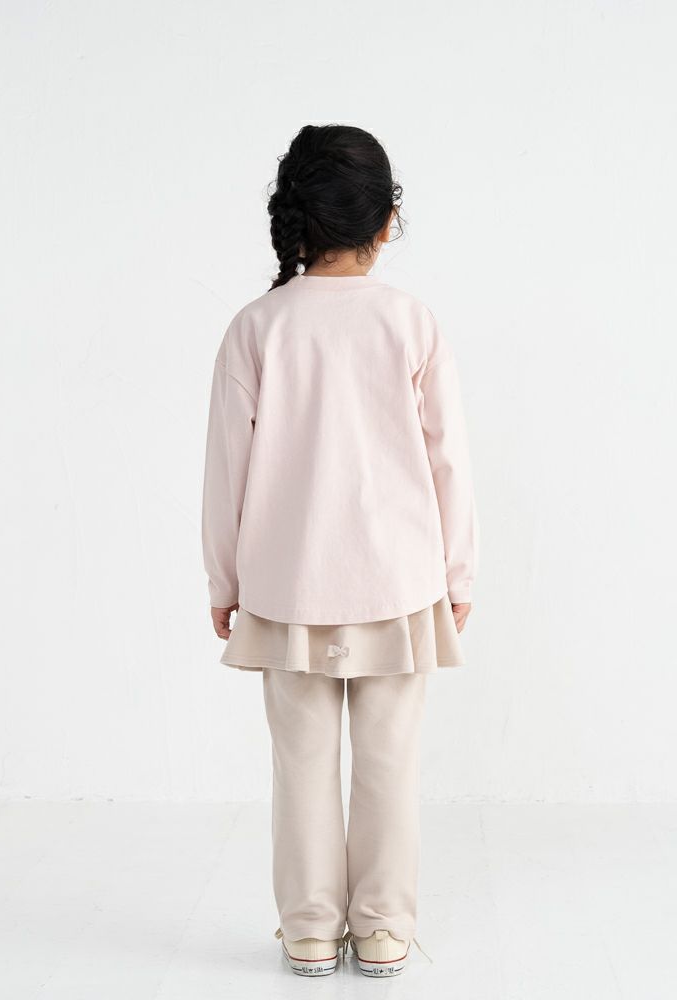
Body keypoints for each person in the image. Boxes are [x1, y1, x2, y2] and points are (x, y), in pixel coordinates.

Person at [201, 124, 479, 977]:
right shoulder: (410, 322)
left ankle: (311, 930)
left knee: (301, 765)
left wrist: (223, 578)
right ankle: (385, 929)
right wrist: (459, 573)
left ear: (297, 218)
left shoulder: (257, 327)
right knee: (390, 762)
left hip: (288, 584)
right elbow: (448, 456)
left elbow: (226, 467)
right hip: (399, 578)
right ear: (386, 221)